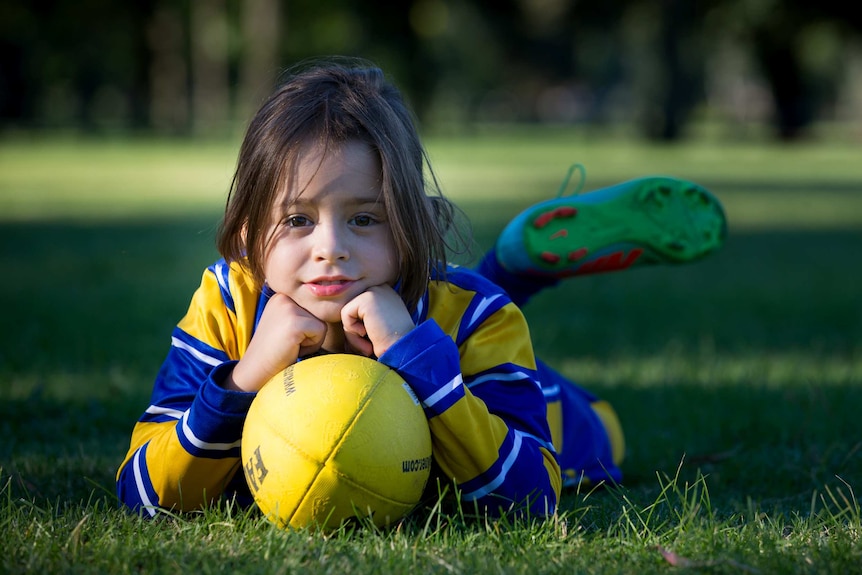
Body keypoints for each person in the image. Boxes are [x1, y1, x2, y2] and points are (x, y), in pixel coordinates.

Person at [116, 57, 726, 520]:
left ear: (415, 222)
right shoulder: (230, 303)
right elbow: (139, 492)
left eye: (365, 218)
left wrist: (418, 363)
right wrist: (245, 376)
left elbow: (532, 498)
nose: (330, 248)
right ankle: (512, 267)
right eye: (297, 220)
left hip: (495, 372)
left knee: (593, 433)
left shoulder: (479, 319)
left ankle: (513, 275)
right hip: (426, 311)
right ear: (249, 236)